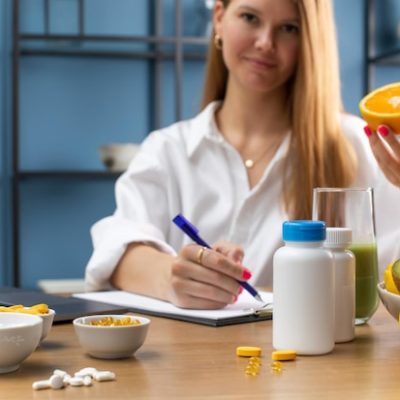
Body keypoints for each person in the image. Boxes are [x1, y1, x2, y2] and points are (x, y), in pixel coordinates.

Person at [85, 0, 400, 309]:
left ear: (308, 41)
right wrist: (171, 276)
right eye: (250, 17)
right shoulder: (168, 150)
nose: (265, 42)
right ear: (219, 18)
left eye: (288, 28)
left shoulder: (356, 145)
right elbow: (117, 248)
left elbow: (392, 270)